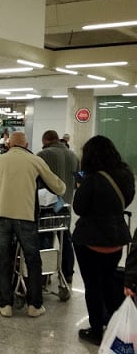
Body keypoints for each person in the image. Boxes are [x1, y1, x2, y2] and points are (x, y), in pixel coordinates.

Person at [0, 131, 65, 318]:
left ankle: (5, 304)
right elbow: (59, 187)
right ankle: (34, 305)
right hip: (26, 217)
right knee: (32, 260)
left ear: (8, 145)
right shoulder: (35, 161)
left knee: (3, 259)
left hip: (0, 216)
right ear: (27, 144)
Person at [72, 135, 134, 345]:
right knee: (109, 282)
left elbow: (79, 208)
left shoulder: (91, 178)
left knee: (93, 286)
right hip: (117, 237)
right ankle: (115, 324)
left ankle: (96, 330)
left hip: (90, 239)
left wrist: (81, 187)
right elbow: (127, 199)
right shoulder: (125, 174)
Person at [36, 130, 80, 283]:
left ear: (46, 140)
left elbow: (35, 179)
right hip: (65, 203)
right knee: (66, 237)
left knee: (45, 237)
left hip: (47, 204)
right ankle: (68, 272)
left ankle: (44, 274)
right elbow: (78, 181)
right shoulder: (73, 156)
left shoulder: (43, 155)